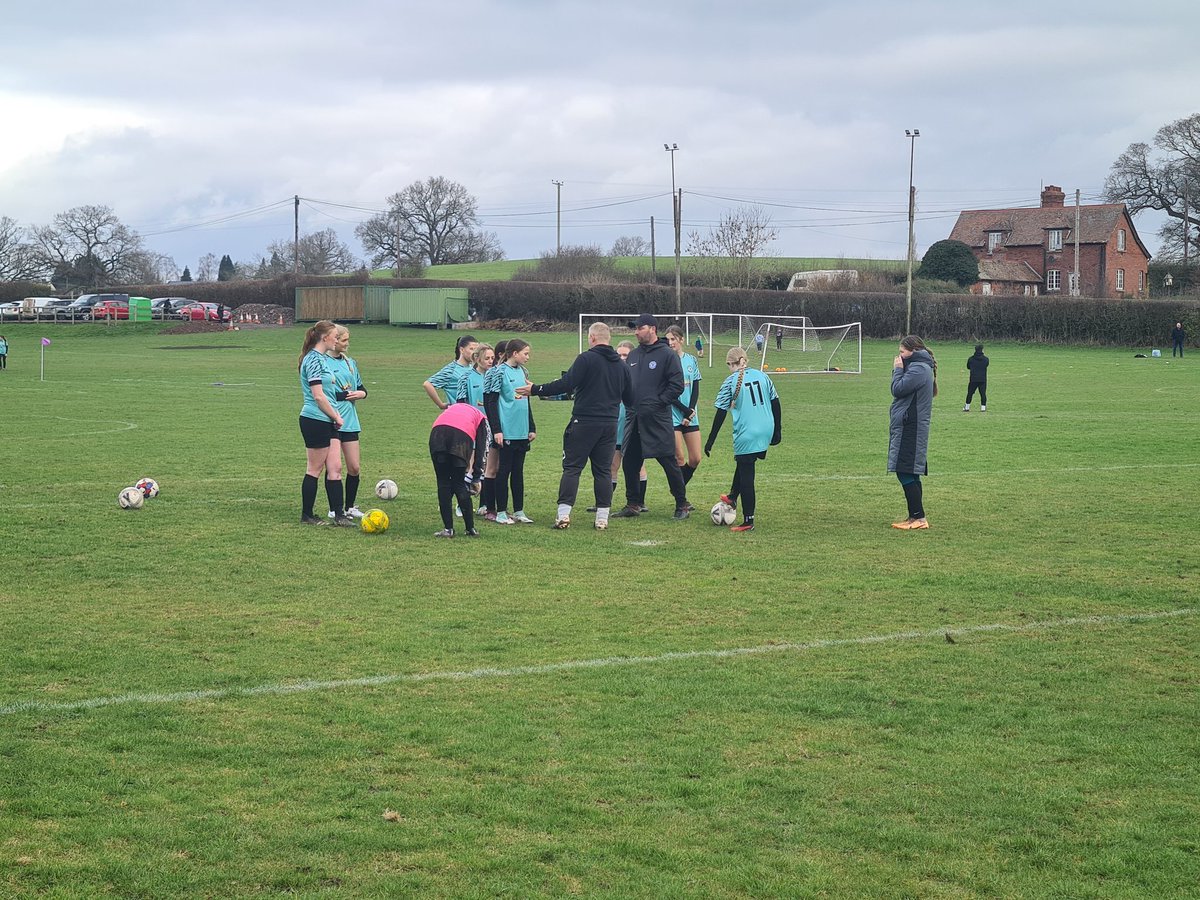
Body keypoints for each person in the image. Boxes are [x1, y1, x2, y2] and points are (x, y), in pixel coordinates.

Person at [518, 321, 634, 530]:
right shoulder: (622, 365)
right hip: (609, 424)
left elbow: (566, 384)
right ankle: (602, 518)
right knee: (603, 471)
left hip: (584, 421)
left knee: (572, 468)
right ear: (609, 339)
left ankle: (563, 516)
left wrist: (536, 389)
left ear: (591, 338)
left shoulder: (586, 358)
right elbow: (630, 399)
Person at [613, 314, 690, 520]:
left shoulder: (667, 355)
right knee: (630, 462)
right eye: (635, 328)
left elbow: (676, 386)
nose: (636, 331)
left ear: (653, 329)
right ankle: (633, 503)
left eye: (640, 327)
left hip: (657, 418)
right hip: (634, 419)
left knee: (668, 461)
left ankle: (682, 504)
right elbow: (626, 383)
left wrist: (657, 403)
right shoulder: (634, 355)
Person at [703, 347, 781, 532]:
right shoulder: (763, 376)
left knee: (747, 474)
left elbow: (721, 412)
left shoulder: (730, 381)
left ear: (731, 364)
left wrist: (710, 440)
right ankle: (732, 496)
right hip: (766, 428)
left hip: (747, 432)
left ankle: (748, 520)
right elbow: (775, 402)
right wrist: (777, 431)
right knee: (745, 461)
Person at [296, 320, 350, 526]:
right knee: (314, 468)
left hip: (329, 419)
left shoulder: (323, 359)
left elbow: (328, 393)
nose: (337, 339)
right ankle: (307, 515)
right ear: (324, 337)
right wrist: (336, 416)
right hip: (314, 419)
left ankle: (339, 515)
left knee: (335, 467)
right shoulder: (313, 360)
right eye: (335, 336)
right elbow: (318, 397)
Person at [888, 335, 937, 530]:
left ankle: (919, 518)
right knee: (910, 471)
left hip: (912, 426)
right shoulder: (920, 367)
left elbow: (897, 389)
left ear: (913, 350)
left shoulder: (918, 369)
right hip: (911, 425)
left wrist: (897, 370)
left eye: (902, 352)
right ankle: (915, 516)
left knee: (905, 470)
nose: (899, 356)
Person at [490, 339, 537, 524]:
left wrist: (531, 426)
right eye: (525, 353)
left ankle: (519, 511)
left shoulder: (523, 372)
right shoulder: (498, 372)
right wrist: (497, 430)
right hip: (506, 430)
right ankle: (501, 512)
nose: (528, 357)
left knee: (518, 471)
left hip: (521, 430)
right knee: (504, 470)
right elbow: (491, 401)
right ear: (514, 353)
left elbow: (526, 400)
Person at [327, 325, 369, 518]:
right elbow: (323, 392)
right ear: (333, 340)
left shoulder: (351, 362)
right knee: (334, 468)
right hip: (332, 420)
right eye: (344, 340)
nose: (347, 344)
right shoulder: (323, 362)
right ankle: (334, 508)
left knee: (354, 467)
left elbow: (361, 387)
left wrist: (361, 393)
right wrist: (346, 396)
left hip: (350, 421)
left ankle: (349, 507)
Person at [429, 402, 488, 538]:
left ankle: (448, 529)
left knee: (443, 482)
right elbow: (482, 449)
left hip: (437, 433)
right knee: (459, 483)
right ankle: (470, 529)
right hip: (460, 437)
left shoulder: (454, 407)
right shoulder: (482, 418)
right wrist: (476, 477)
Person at [665, 324, 703, 492]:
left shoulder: (691, 360)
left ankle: (677, 488)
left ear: (681, 339)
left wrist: (691, 411)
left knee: (695, 458)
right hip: (672, 414)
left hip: (691, 414)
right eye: (667, 340)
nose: (670, 343)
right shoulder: (664, 362)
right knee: (679, 458)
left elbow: (695, 387)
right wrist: (684, 411)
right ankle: (681, 498)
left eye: (673, 339)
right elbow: (666, 392)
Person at [478, 339, 509, 519]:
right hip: (493, 428)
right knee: (490, 467)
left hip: (507, 428)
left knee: (498, 468)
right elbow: (491, 401)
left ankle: (497, 507)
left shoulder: (510, 373)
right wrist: (495, 427)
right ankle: (488, 507)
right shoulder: (494, 374)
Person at [422, 334, 478, 411]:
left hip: (474, 414)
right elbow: (427, 384)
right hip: (458, 414)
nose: (474, 353)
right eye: (471, 349)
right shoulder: (451, 370)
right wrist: (441, 405)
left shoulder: (474, 368)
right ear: (461, 350)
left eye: (476, 350)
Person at [964, 343, 989, 412]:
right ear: (982, 350)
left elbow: (968, 367)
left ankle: (967, 407)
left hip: (973, 379)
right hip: (982, 379)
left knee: (970, 393)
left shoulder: (971, 359)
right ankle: (983, 407)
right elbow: (986, 365)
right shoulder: (986, 359)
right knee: (983, 393)